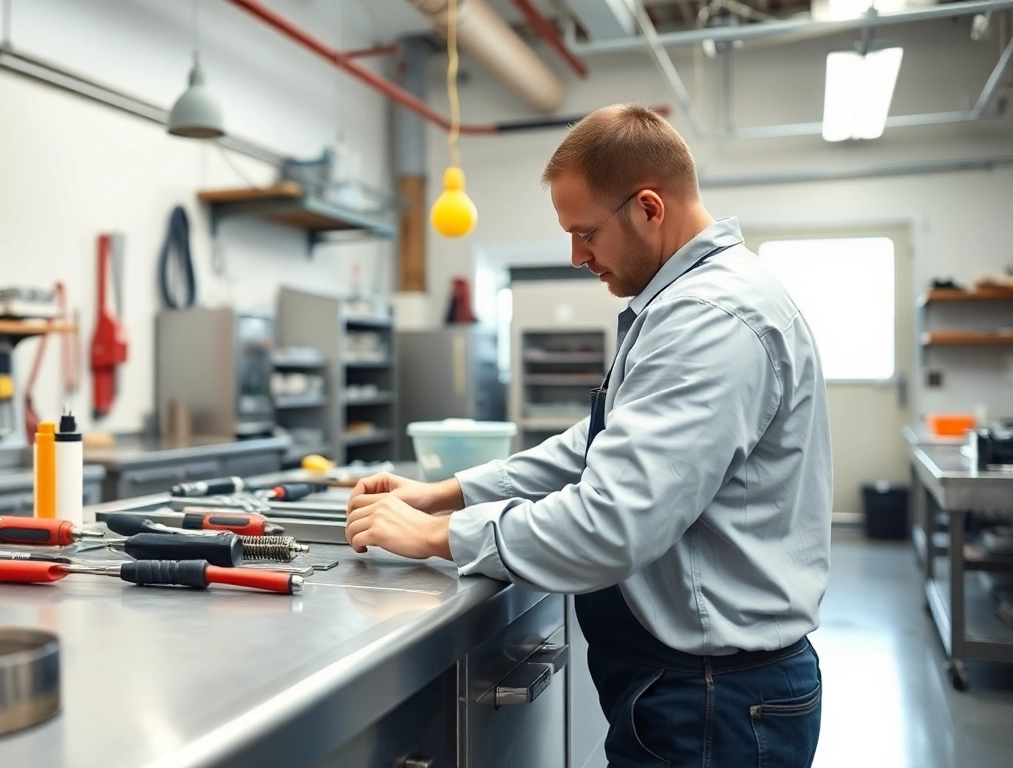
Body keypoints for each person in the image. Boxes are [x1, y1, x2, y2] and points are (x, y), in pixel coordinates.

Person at [345, 103, 832, 768]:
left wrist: (437, 537)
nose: (577, 257)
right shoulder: (682, 303)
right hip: (694, 691)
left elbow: (611, 523)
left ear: (649, 208)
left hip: (715, 705)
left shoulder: (711, 319)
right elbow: (594, 445)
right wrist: (445, 493)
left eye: (586, 234)